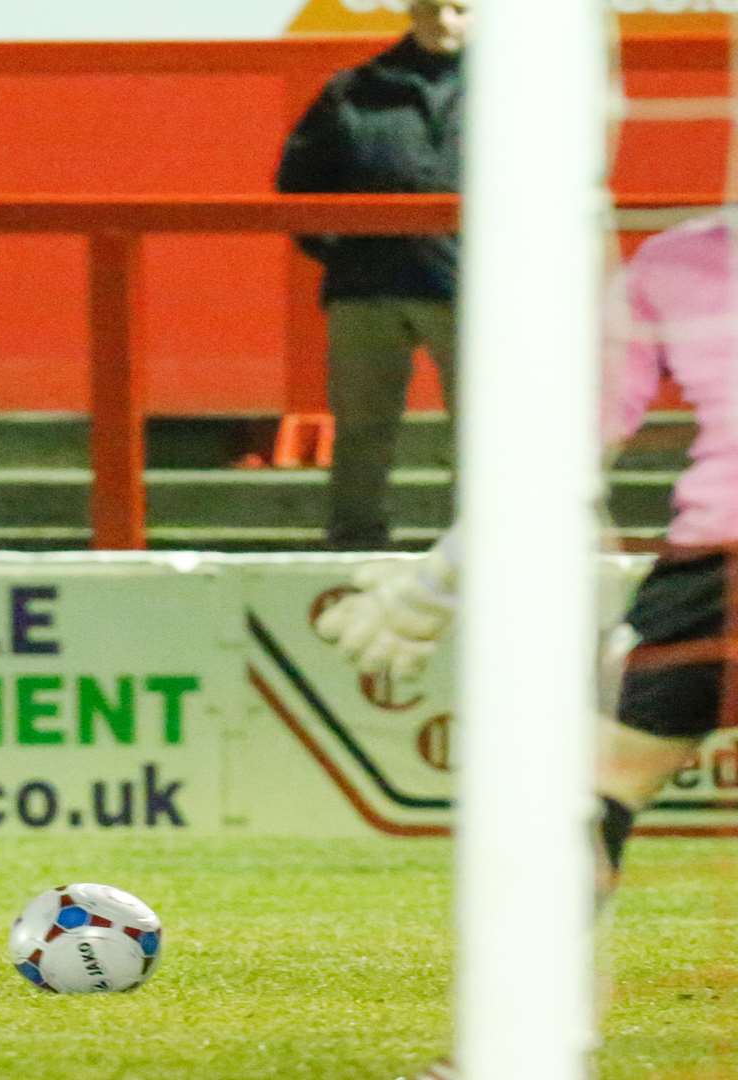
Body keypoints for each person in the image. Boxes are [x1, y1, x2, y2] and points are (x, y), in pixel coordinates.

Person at [316, 212, 738, 1075]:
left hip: (721, 561)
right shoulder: (680, 259)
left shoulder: (680, 259)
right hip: (717, 563)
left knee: (590, 795)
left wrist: (437, 584)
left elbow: (567, 452)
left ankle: (524, 1046)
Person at [277, 0, 469, 550]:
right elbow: (299, 182)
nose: (446, 22)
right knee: (360, 429)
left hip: (473, 292)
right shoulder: (355, 89)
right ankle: (353, 542)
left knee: (485, 434)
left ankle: (482, 549)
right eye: (433, 8)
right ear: (412, 11)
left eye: (461, 9)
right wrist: (341, 252)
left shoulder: (517, 92)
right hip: (366, 289)